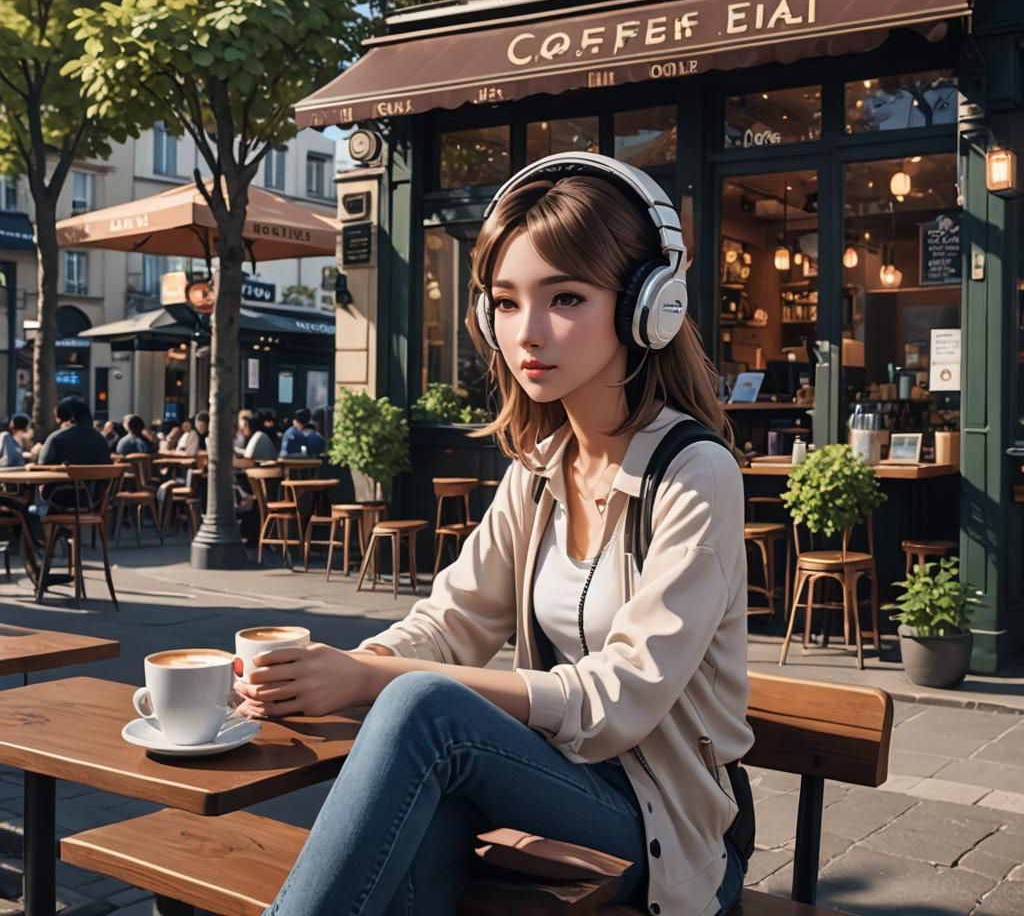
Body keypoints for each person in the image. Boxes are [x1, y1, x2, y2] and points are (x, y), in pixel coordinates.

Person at [236, 154, 751, 916]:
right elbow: (453, 623)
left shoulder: (695, 472)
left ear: (649, 307)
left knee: (423, 712)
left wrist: (374, 681)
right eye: (506, 304)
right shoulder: (541, 468)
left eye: (565, 297)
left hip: (666, 823)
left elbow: (620, 699)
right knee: (415, 839)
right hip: (552, 781)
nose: (527, 333)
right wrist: (341, 666)